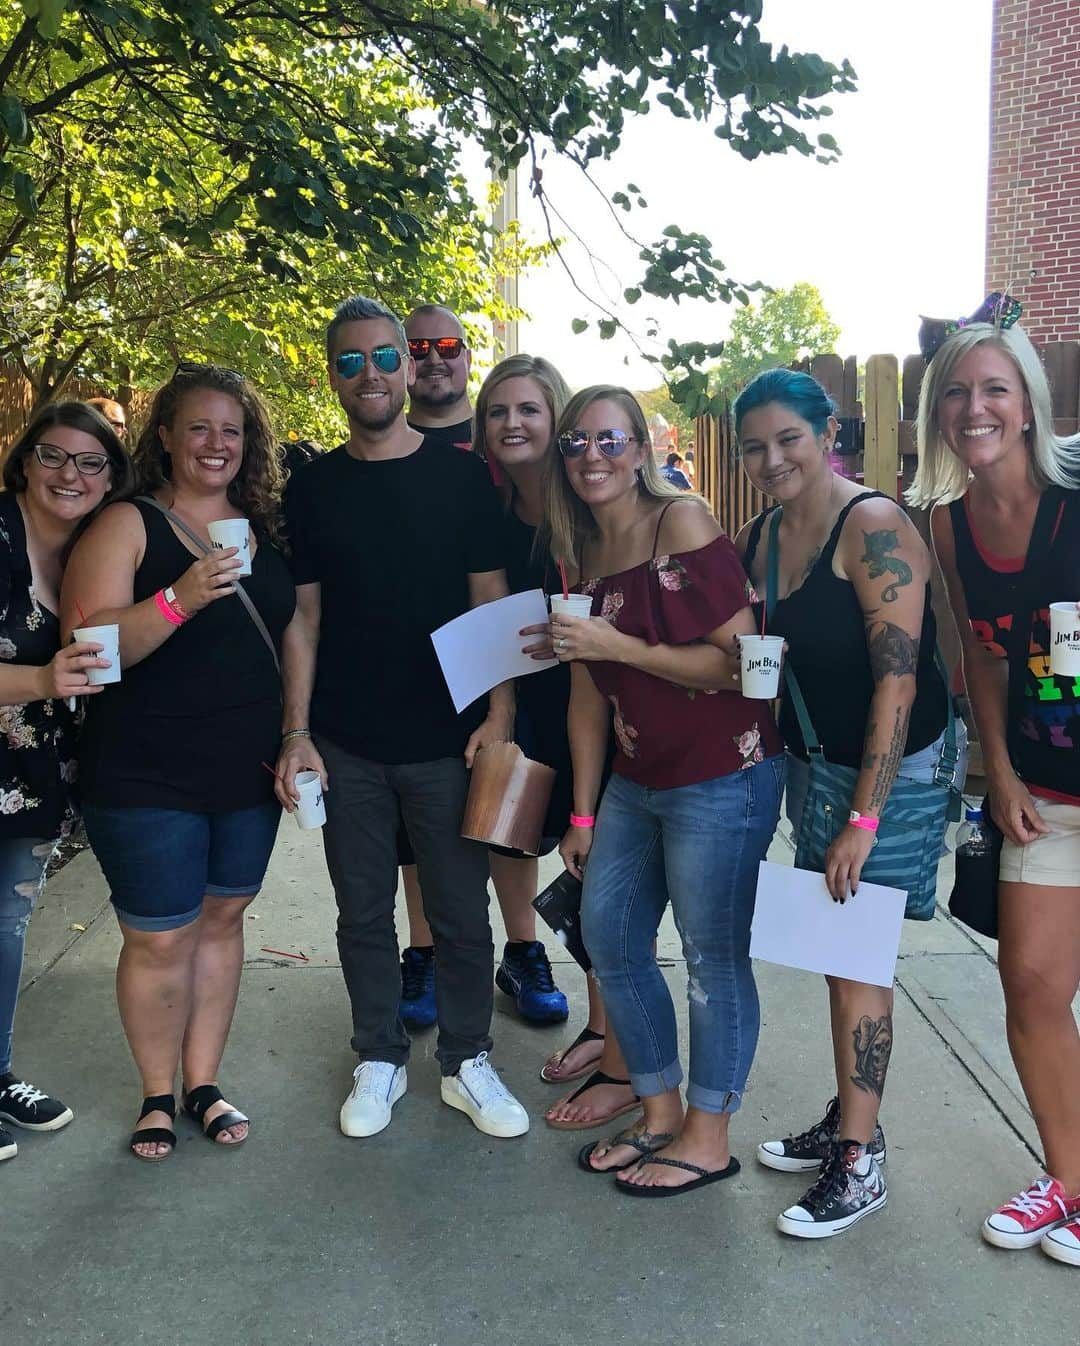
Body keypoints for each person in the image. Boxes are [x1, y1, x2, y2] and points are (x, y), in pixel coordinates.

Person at [275, 295, 528, 1142]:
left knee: (461, 913)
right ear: (334, 376)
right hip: (347, 743)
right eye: (352, 362)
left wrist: (500, 711)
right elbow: (303, 619)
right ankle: (378, 1056)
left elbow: (490, 598)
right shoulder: (312, 488)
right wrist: (298, 732)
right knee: (360, 913)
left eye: (386, 357)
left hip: (446, 740)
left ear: (406, 363)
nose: (373, 373)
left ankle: (466, 1060)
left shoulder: (463, 476)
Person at [734, 367, 960, 1238]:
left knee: (860, 958)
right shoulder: (762, 536)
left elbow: (898, 686)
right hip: (821, 764)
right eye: (756, 445)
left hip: (893, 770)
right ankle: (849, 1118)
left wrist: (864, 820)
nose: (770, 457)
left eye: (788, 438)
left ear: (828, 435)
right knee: (838, 951)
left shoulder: (870, 524)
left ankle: (860, 1163)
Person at [548, 384, 785, 1196]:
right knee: (609, 935)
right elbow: (587, 692)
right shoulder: (578, 549)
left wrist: (622, 642)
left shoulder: (678, 522)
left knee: (712, 960)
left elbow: (745, 665)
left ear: (643, 450)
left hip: (724, 774)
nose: (593, 456)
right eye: (577, 442)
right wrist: (581, 811)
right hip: (635, 778)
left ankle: (708, 1137)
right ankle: (657, 1111)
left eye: (611, 440)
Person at [61, 364, 294, 1161]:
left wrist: (297, 735)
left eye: (231, 430)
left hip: (246, 770)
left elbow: (297, 634)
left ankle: (204, 1083)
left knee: (223, 920)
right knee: (161, 937)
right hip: (144, 770)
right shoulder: (128, 523)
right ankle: (156, 1094)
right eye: (199, 427)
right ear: (164, 435)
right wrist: (181, 596)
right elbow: (86, 651)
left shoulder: (268, 524)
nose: (216, 444)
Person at [909, 304, 1080, 1268]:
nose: (975, 407)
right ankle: (1069, 1177)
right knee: (1030, 987)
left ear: (1028, 405)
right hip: (1043, 793)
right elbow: (985, 665)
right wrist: (1001, 774)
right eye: (959, 393)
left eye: (995, 390)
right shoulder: (948, 527)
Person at [396, 304, 568, 1029]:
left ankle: (522, 949)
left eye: (448, 346)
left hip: (535, 670)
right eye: (417, 348)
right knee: (420, 822)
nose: (434, 358)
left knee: (515, 808)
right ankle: (425, 954)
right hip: (421, 663)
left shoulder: (534, 470)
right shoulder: (391, 446)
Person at [0, 402, 132, 1163]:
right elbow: (54, 670)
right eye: (54, 456)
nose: (69, 475)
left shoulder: (91, 546)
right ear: (25, 461)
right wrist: (46, 675)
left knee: (6, 929)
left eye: (90, 463)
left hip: (34, 775)